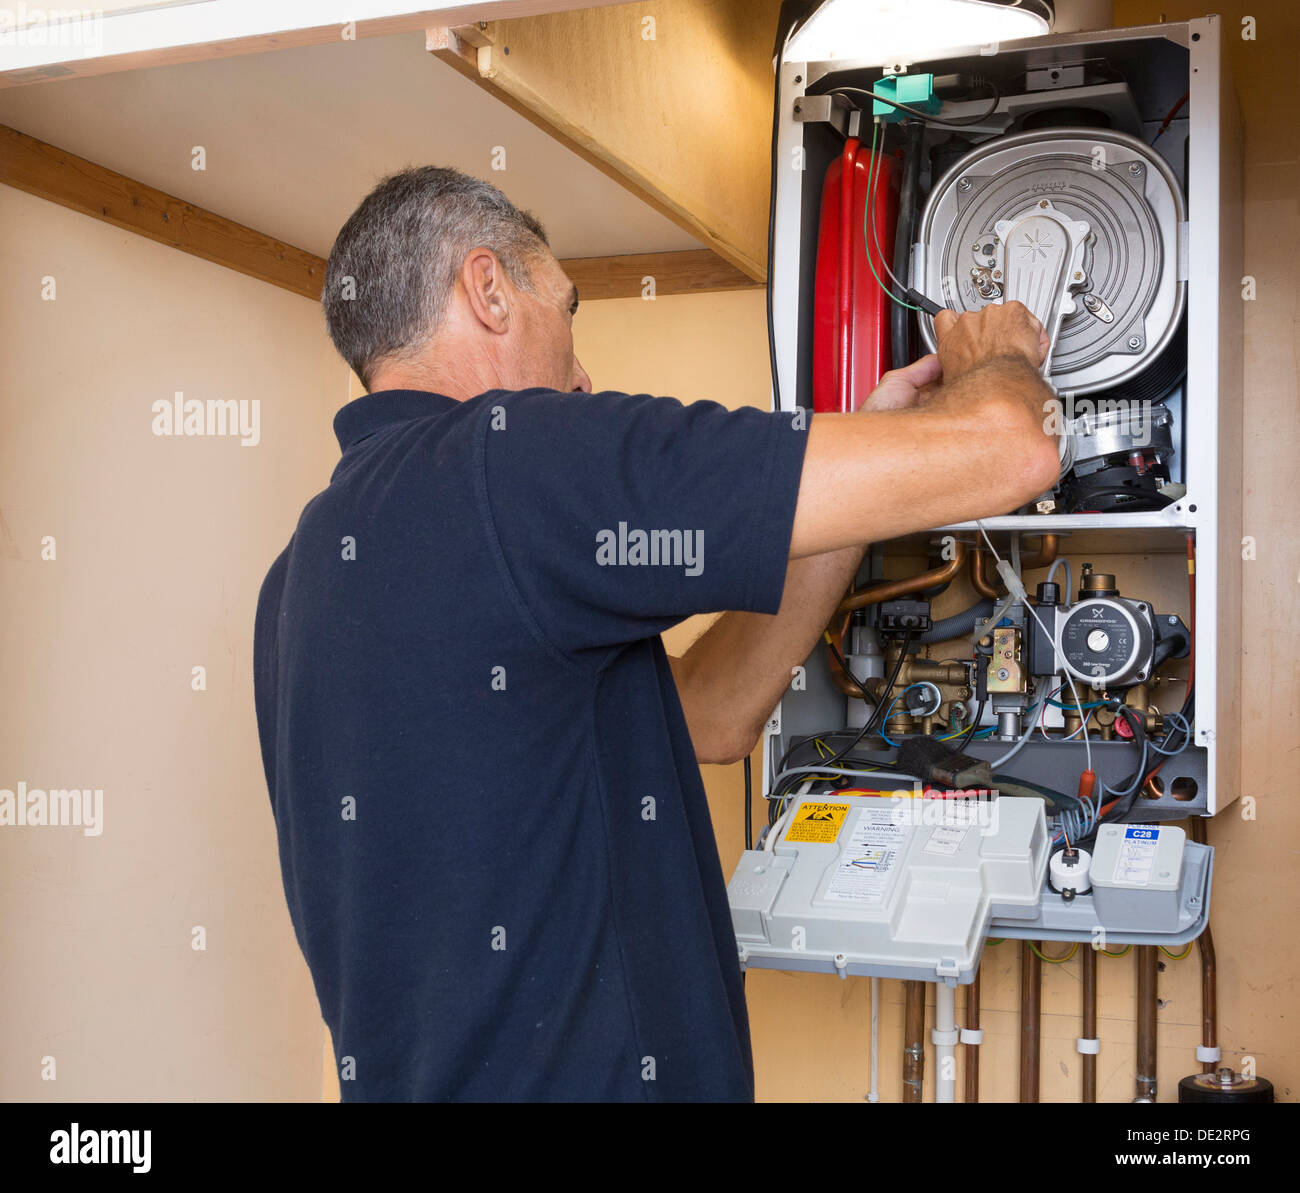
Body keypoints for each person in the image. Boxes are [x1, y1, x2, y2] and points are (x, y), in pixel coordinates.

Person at [253, 166, 1058, 1102]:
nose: (584, 374)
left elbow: (711, 716)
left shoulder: (302, 573)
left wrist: (866, 483)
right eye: (568, 309)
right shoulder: (513, 454)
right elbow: (1014, 444)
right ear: (487, 289)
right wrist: (996, 355)